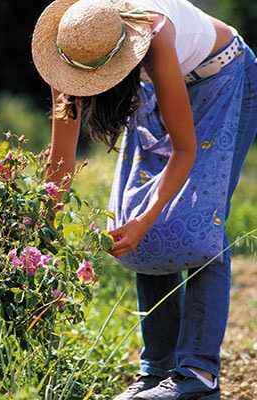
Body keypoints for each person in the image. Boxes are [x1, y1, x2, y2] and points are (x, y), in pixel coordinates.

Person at [31, 0, 257, 399]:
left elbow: (185, 151)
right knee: (135, 216)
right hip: (161, 85)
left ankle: (197, 375)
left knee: (199, 215)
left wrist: (148, 218)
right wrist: (38, 235)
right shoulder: (70, 50)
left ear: (118, 65)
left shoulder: (154, 37)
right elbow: (61, 163)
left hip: (223, 75)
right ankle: (158, 372)